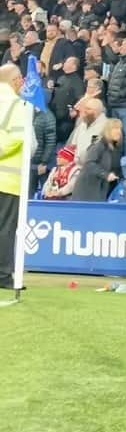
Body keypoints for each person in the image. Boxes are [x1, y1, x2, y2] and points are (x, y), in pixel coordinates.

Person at [0, 63, 31, 289]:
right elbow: (18, 138)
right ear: (16, 80)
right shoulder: (17, 105)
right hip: (8, 179)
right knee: (5, 229)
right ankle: (3, 275)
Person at [71, 118, 123, 201]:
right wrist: (105, 175)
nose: (119, 131)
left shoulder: (115, 148)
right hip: (88, 188)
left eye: (120, 129)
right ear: (108, 130)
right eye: (115, 128)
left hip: (101, 187)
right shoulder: (99, 145)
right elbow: (89, 163)